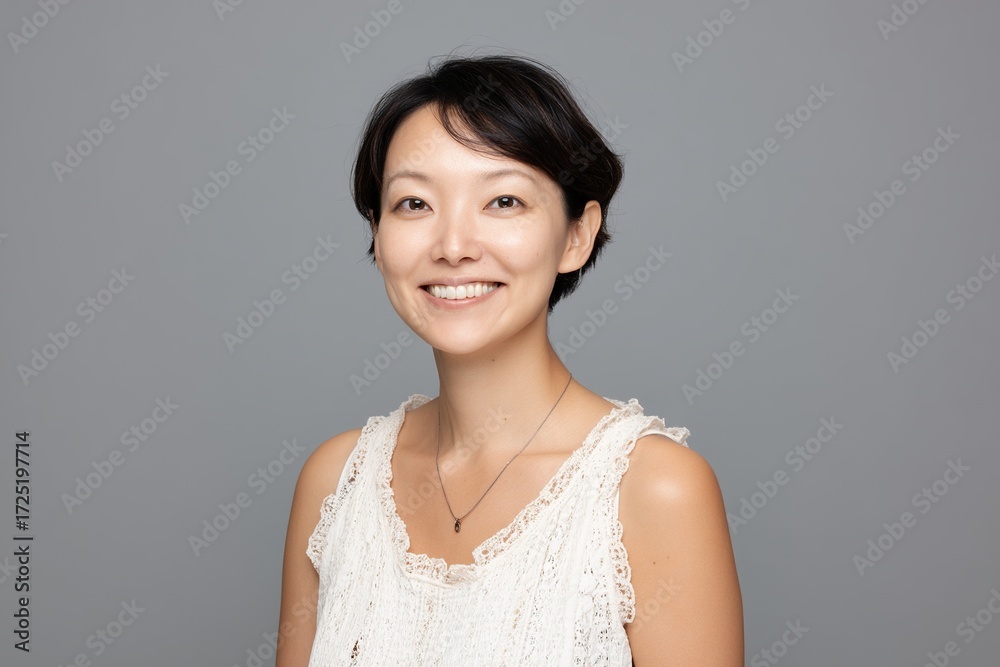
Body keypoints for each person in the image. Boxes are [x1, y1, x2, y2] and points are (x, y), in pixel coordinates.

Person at [276, 52, 743, 666]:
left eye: (503, 201)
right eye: (414, 203)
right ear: (377, 233)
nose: (453, 247)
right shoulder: (336, 483)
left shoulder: (654, 489)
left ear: (576, 235)